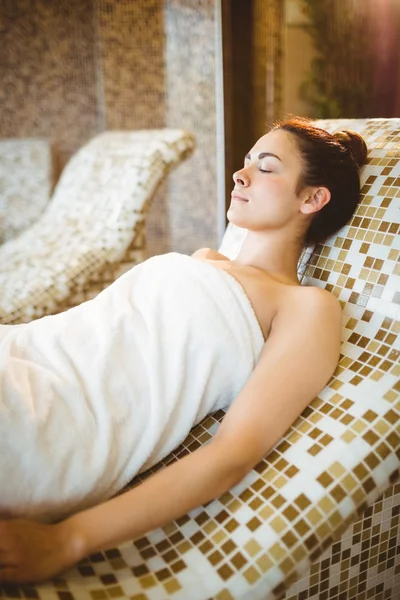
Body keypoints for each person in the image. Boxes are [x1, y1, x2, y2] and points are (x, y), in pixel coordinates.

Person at [0, 117, 368, 584]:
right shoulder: (205, 259)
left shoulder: (305, 308)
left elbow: (232, 454)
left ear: (312, 199)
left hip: (49, 419)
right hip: (23, 352)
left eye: (268, 168)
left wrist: (68, 539)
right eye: (247, 162)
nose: (241, 174)